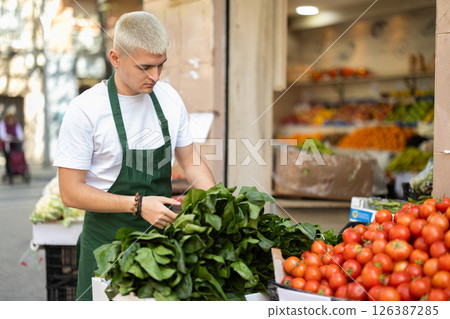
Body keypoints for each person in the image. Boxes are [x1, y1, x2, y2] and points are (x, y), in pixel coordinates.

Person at [53, 11, 216, 301]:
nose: (155, 76)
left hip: (161, 251)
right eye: (145, 67)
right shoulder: (85, 110)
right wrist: (138, 205)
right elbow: (70, 192)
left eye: (160, 66)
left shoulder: (168, 99)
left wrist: (217, 204)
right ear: (116, 58)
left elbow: (190, 160)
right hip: (106, 249)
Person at [0, 105, 24, 184]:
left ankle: (19, 170)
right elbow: (2, 135)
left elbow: (20, 134)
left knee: (18, 156)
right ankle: (9, 173)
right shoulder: (3, 124)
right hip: (6, 146)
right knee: (8, 159)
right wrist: (8, 137)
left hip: (15, 145)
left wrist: (19, 138)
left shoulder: (16, 125)